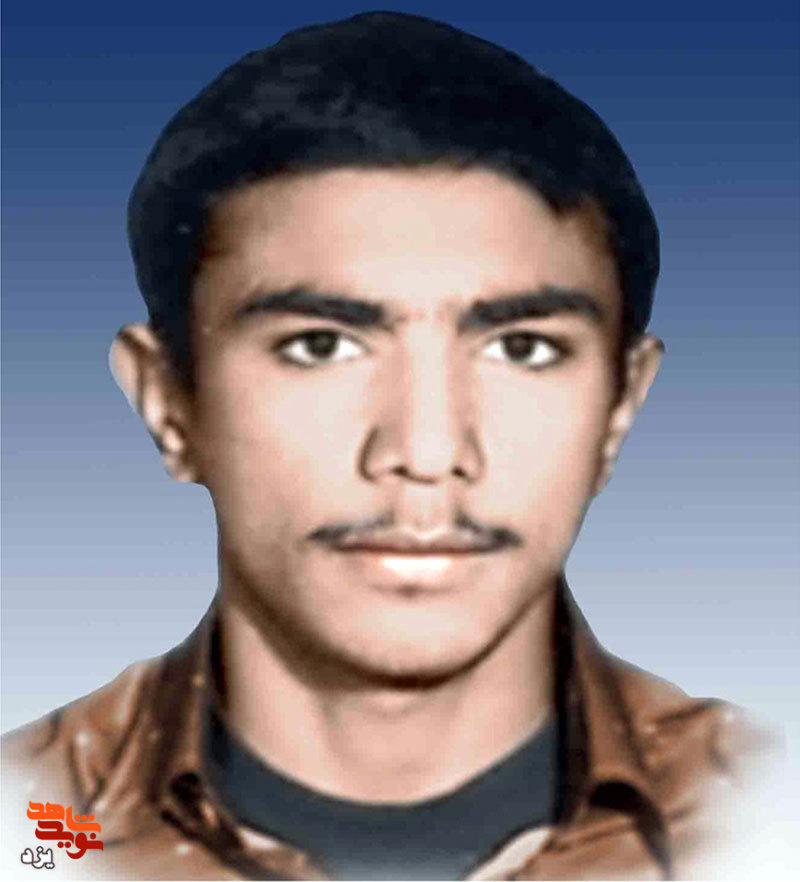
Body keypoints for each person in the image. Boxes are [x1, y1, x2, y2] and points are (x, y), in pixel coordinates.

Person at [2, 11, 775, 880]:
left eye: (522, 348)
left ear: (621, 408)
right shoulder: (32, 827)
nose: (427, 451)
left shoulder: (769, 817)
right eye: (319, 345)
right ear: (168, 402)